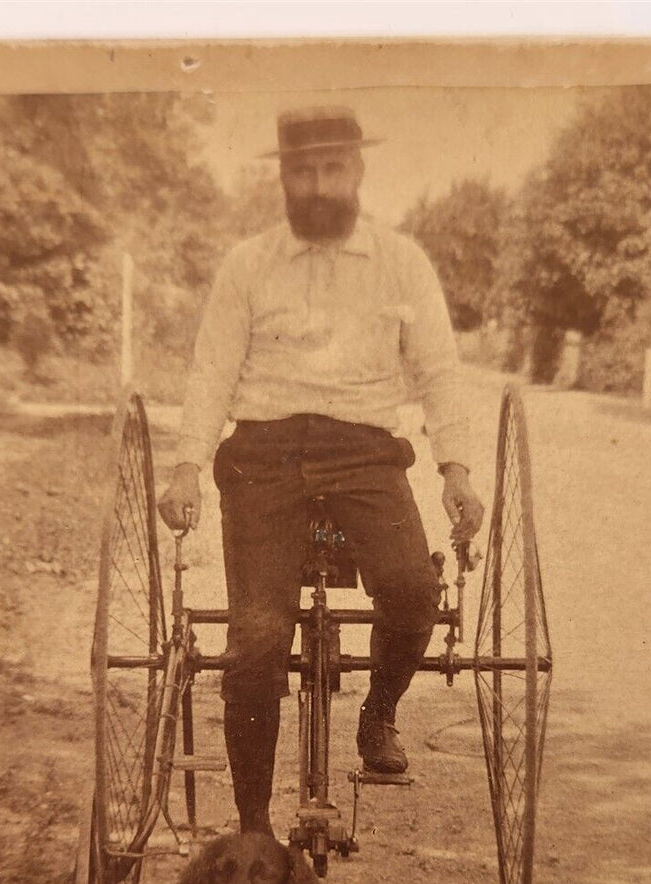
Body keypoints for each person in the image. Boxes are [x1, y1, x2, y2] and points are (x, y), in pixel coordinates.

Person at [157, 104, 484, 836]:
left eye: (332, 167)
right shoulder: (247, 265)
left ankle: (378, 712)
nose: (317, 185)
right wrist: (184, 467)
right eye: (301, 170)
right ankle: (251, 827)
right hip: (265, 454)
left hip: (366, 451)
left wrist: (454, 469)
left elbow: (437, 371)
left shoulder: (401, 263)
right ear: (282, 177)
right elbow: (212, 371)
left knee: (410, 589)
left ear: (358, 171)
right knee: (256, 641)